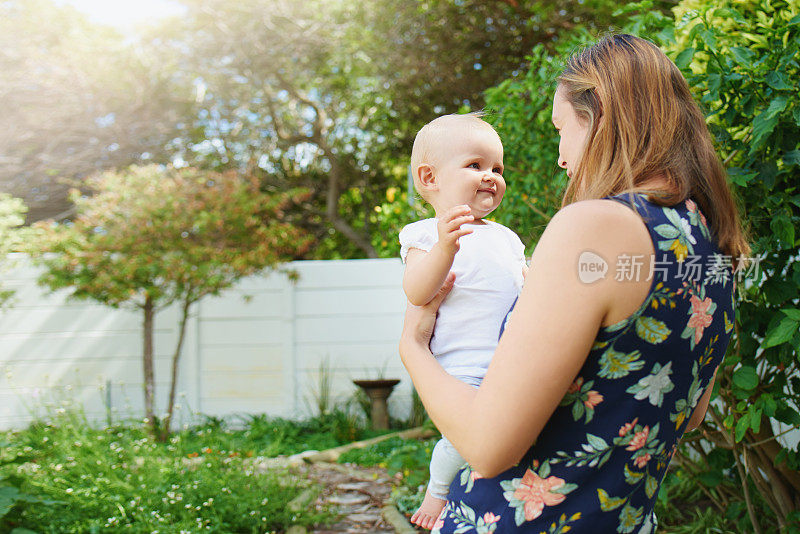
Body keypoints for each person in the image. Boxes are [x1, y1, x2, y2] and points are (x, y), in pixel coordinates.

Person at [399, 34, 750, 533]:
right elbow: (687, 415)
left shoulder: (596, 226)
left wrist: (412, 347)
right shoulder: (712, 240)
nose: (562, 157)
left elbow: (486, 445)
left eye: (561, 129)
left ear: (600, 115)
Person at [399, 113, 528, 528]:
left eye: (497, 168)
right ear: (429, 178)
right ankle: (437, 493)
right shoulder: (425, 234)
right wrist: (445, 249)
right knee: (461, 439)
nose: (490, 176)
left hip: (511, 364)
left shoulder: (507, 238)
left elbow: (524, 287)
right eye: (475, 165)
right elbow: (417, 292)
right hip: (462, 370)